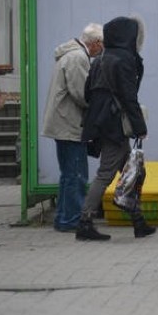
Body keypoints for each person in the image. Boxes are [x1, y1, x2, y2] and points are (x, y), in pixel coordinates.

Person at [76, 16, 153, 241]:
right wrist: (140, 127)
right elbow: (129, 97)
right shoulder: (125, 59)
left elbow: (87, 92)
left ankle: (138, 221)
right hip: (115, 125)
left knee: (130, 171)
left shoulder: (101, 59)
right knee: (105, 174)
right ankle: (85, 221)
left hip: (101, 122)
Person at [41, 24, 104, 232]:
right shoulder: (78, 58)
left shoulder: (71, 54)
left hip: (62, 122)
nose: (102, 49)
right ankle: (73, 220)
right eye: (101, 44)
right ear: (95, 43)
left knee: (68, 173)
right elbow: (81, 93)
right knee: (76, 175)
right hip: (69, 123)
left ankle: (64, 218)